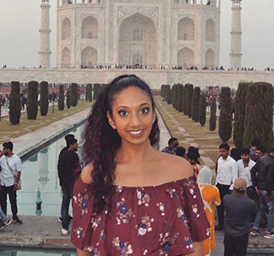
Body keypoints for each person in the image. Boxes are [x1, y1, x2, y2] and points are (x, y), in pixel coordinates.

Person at [71, 75, 210, 255]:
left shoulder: (180, 172)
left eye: (143, 110)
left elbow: (194, 247)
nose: (135, 122)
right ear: (111, 119)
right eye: (123, 113)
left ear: (154, 114)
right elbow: (84, 249)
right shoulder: (94, 176)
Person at [250, 145, 274, 239]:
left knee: (262, 208)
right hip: (267, 189)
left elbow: (253, 171)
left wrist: (255, 185)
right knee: (271, 211)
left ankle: (255, 228)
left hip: (260, 188)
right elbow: (269, 179)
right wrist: (269, 193)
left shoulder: (261, 159)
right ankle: (268, 232)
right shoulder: (272, 163)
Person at [223, 178, 257, 256]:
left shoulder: (226, 198)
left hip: (229, 233)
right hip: (242, 234)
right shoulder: (250, 203)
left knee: (228, 253)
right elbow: (255, 213)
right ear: (245, 189)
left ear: (234, 188)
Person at [57, 134, 81, 235]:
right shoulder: (74, 156)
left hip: (64, 183)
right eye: (76, 144)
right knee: (75, 205)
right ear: (71, 145)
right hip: (72, 183)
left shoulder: (62, 153)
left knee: (65, 204)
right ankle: (77, 226)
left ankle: (65, 227)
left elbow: (59, 169)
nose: (77, 146)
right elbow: (78, 171)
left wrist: (61, 182)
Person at [197, 166, 220, 256]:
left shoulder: (194, 187)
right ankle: (207, 252)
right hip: (208, 214)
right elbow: (218, 203)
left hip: (197, 214)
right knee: (208, 231)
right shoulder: (214, 189)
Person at [0, 142, 22, 225]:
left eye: (4, 149)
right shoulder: (2, 158)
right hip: (3, 182)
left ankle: (15, 216)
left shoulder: (16, 159)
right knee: (2, 201)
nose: (3, 151)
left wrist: (16, 182)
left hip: (11, 183)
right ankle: (3, 217)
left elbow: (19, 172)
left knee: (13, 201)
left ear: (9, 149)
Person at [215, 143, 237, 230]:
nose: (222, 153)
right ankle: (221, 224)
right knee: (219, 206)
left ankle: (229, 224)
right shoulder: (219, 160)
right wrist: (216, 183)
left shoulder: (232, 162)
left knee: (228, 207)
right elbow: (218, 172)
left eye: (223, 151)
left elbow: (235, 176)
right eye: (220, 151)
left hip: (227, 187)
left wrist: (231, 188)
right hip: (219, 185)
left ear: (228, 151)